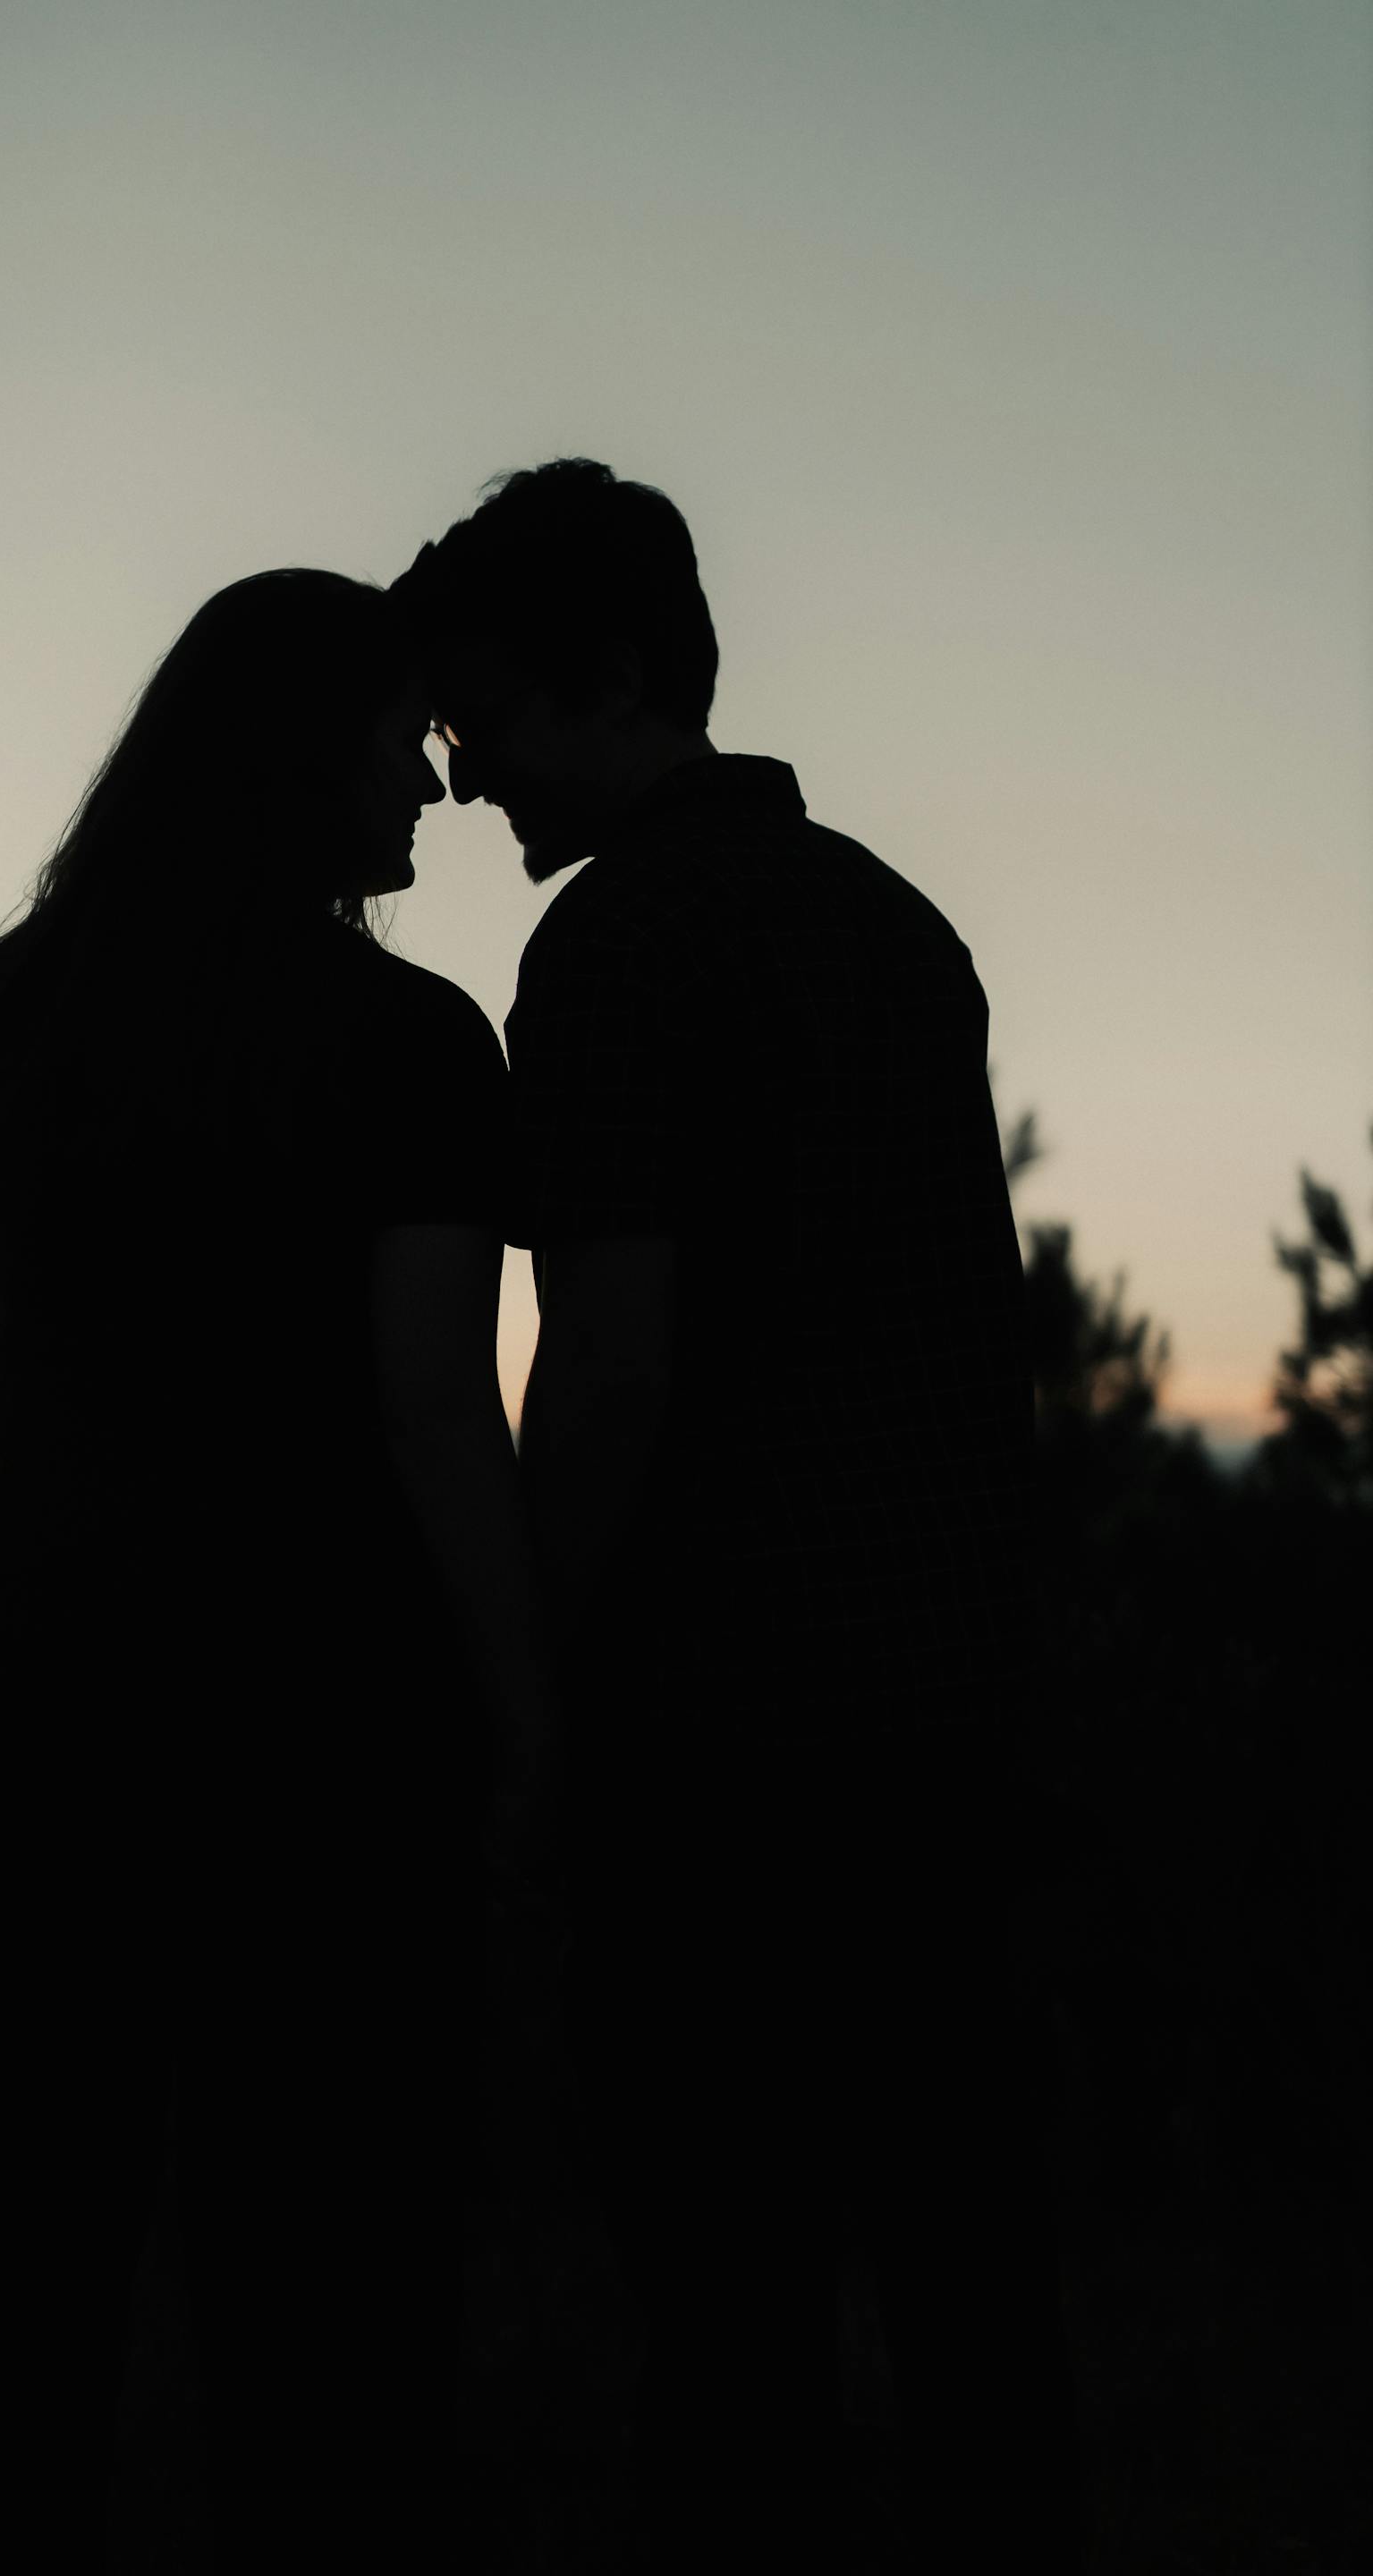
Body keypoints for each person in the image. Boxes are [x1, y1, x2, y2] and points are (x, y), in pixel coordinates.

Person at [390, 460, 1089, 2575]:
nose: (460, 773)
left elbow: (610, 1362)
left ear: (608, 682)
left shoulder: (613, 949)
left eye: (483, 717)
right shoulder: (895, 922)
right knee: (982, 2301)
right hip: (959, 1713)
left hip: (725, 1746)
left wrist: (526, 1693)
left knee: (733, 2329)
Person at [0, 568, 560, 2574]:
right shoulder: (417, 1044)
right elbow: (434, 1409)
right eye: (397, 739)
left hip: (18, 1723)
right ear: (303, 758)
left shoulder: (14, 1008)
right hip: (319, 1746)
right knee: (329, 2354)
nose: (428, 785)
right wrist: (530, 1722)